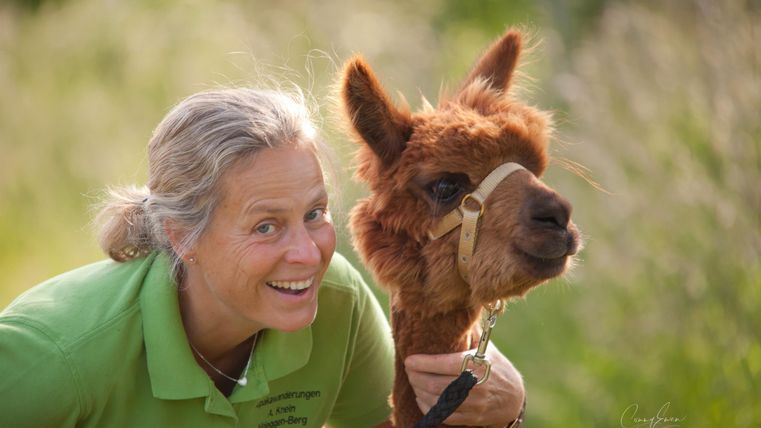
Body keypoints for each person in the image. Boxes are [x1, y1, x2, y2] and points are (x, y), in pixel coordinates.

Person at [0, 88, 525, 427]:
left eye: (315, 214)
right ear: (182, 236)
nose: (307, 254)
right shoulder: (50, 357)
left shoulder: (336, 300)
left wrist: (507, 413)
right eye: (266, 226)